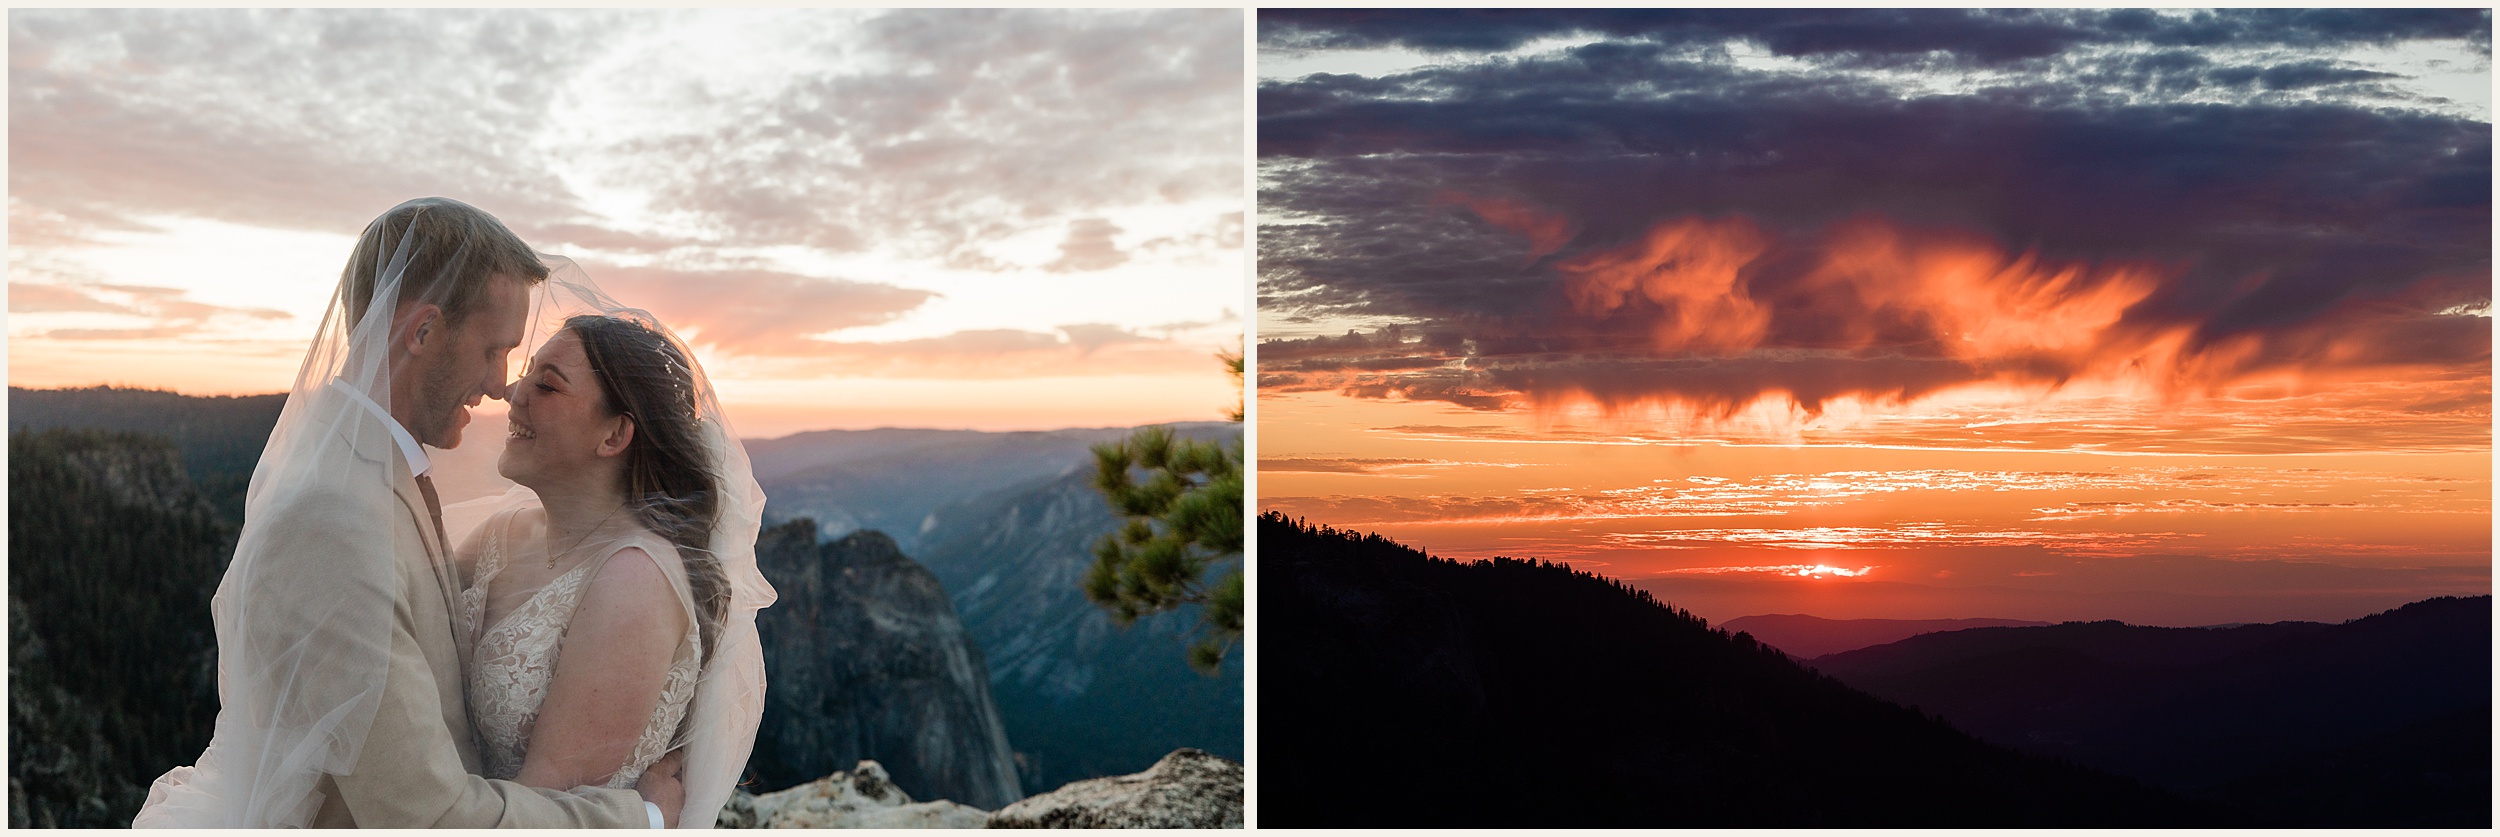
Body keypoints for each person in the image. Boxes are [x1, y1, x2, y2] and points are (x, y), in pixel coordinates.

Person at [133, 197, 766, 827]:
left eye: (537, 378)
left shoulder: (377, 481)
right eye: (497, 350)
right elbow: (426, 815)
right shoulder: (335, 518)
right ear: (425, 332)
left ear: (615, 436)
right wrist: (643, 820)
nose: (502, 386)